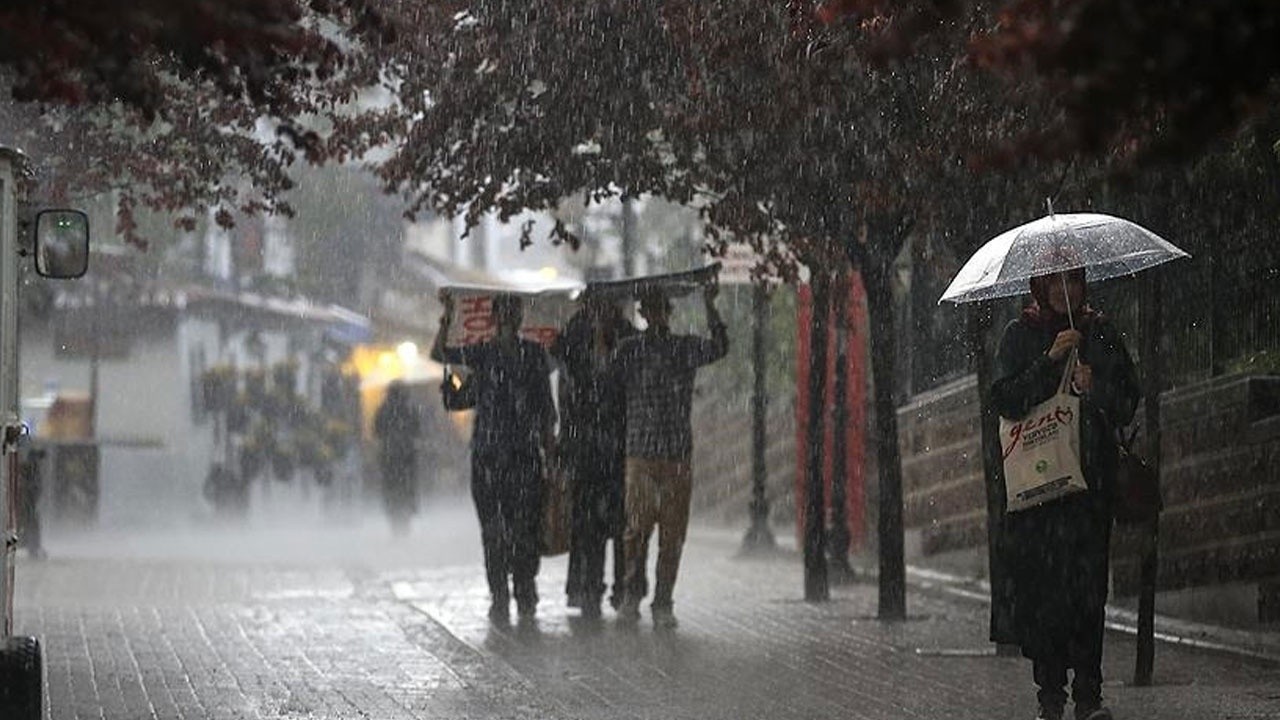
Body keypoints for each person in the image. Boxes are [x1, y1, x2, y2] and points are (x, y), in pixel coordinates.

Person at [991, 268, 1140, 720]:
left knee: (1089, 592)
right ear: (1040, 287)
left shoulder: (1099, 331)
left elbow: (1129, 400)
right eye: (1054, 283)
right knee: (1046, 596)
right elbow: (1005, 399)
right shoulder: (1021, 334)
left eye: (1072, 281)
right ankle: (1050, 695)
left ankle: (1089, 696)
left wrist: (1098, 390)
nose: (1063, 290)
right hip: (1039, 494)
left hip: (1088, 491)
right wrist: (1049, 362)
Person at [432, 294, 556, 623]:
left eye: (513, 314)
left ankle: (525, 590)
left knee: (525, 529)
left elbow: (545, 409)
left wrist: (550, 450)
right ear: (495, 319)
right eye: (503, 314)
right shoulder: (483, 355)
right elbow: (440, 354)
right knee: (494, 530)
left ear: (518, 319)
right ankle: (500, 593)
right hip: (488, 458)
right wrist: (447, 317)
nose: (509, 320)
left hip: (524, 456)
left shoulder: (533, 356)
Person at [611, 282, 728, 628]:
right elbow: (605, 379)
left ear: (667, 312)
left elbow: (720, 347)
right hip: (641, 453)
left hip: (675, 453)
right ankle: (632, 594)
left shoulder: (684, 348)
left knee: (672, 534)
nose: (656, 315)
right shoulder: (629, 349)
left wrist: (711, 307)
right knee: (636, 529)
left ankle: (663, 600)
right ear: (644, 313)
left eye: (660, 308)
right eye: (650, 309)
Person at [551, 295, 637, 619]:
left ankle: (622, 587)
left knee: (620, 523)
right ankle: (589, 588)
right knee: (588, 524)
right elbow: (569, 386)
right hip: (585, 447)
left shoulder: (627, 336)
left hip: (617, 445)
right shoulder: (574, 336)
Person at [373, 381, 422, 537]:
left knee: (391, 490)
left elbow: (376, 430)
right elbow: (418, 429)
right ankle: (405, 521)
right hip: (407, 456)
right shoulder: (410, 409)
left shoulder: (383, 409)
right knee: (407, 489)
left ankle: (395, 523)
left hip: (389, 456)